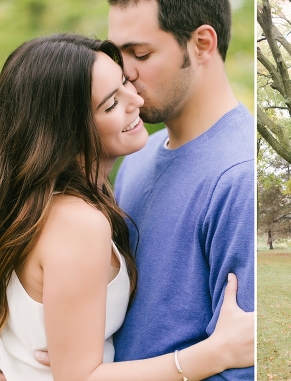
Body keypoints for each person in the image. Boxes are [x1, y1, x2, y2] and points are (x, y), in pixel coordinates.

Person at [0, 34, 252, 381]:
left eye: (124, 83)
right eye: (111, 104)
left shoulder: (41, 204)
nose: (135, 99)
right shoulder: (79, 223)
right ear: (67, 130)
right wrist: (215, 353)